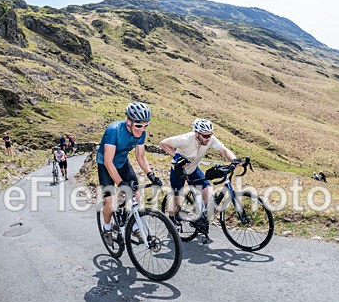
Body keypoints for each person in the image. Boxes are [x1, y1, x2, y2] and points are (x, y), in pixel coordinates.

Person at [97, 102, 163, 244]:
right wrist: (121, 183)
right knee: (110, 202)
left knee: (136, 193)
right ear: (128, 121)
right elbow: (108, 162)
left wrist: (151, 175)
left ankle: (133, 225)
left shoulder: (141, 133)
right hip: (105, 164)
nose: (142, 129)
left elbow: (141, 156)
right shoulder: (114, 130)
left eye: (146, 125)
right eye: (138, 125)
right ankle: (107, 228)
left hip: (122, 162)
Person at [159, 118, 237, 232]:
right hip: (178, 171)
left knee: (208, 192)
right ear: (197, 134)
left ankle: (200, 218)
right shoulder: (185, 139)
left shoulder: (210, 139)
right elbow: (163, 143)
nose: (208, 138)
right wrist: (176, 156)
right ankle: (171, 218)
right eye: (205, 136)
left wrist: (235, 160)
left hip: (193, 170)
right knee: (177, 199)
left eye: (210, 135)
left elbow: (224, 150)